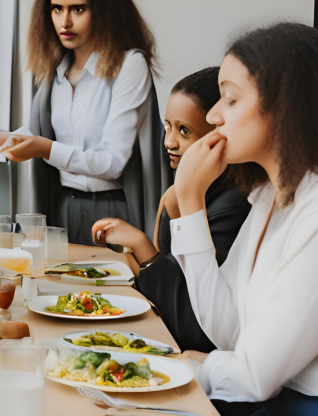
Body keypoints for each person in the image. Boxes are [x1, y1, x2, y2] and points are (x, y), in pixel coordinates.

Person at [172, 23, 318, 416]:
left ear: (284, 106)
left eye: (230, 98)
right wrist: (190, 202)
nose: (212, 116)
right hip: (281, 411)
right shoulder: (271, 196)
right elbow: (230, 332)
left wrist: (188, 366)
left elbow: (254, 375)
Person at [0, 0, 168, 245]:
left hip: (111, 211)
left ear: (104, 11)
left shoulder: (129, 66)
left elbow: (111, 162)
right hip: (61, 208)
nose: (64, 21)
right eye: (57, 9)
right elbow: (45, 135)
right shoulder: (51, 72)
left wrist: (44, 149)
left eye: (78, 9)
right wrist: (1, 141)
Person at [90, 67, 251, 352]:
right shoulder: (181, 193)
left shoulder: (234, 205)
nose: (169, 142)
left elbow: (190, 321)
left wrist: (141, 246)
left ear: (217, 135)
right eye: (167, 127)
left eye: (184, 131)